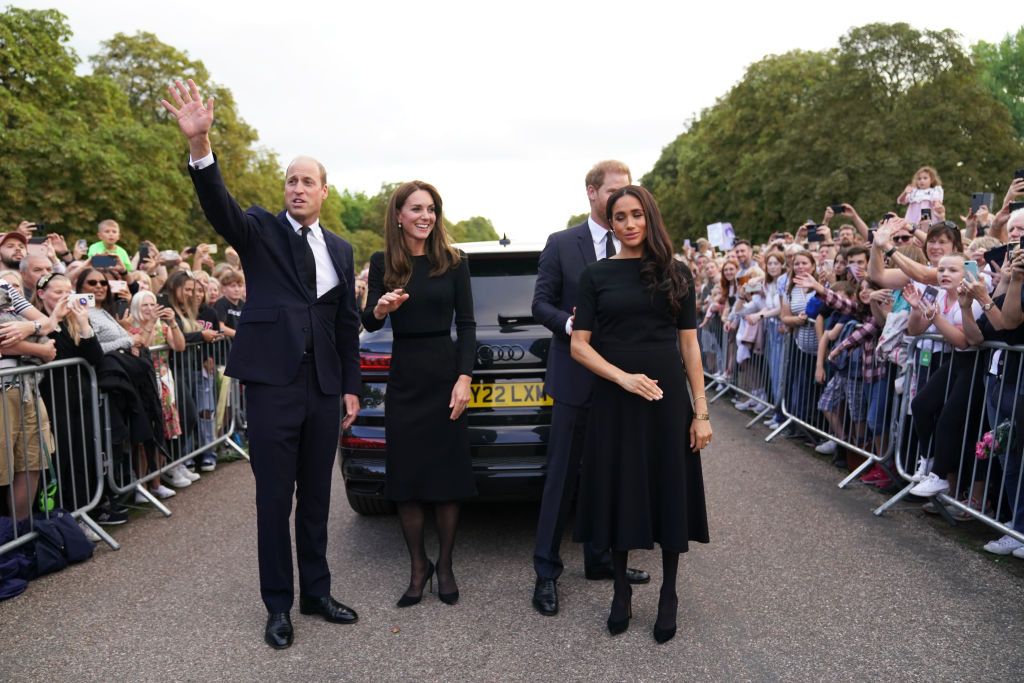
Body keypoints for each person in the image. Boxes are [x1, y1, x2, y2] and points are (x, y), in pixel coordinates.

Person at [162, 79, 362, 650]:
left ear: (325, 190)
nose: (297, 188)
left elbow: (345, 323)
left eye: (307, 181)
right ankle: (278, 606)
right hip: (273, 386)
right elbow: (218, 206)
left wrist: (350, 387)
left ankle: (316, 592)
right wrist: (201, 148)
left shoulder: (341, 250)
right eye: (290, 180)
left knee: (318, 500)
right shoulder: (259, 230)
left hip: (324, 388)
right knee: (274, 501)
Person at [570, 185, 711, 644]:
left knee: (669, 487)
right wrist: (622, 378)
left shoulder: (678, 273)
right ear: (610, 224)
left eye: (636, 215)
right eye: (619, 217)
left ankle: (669, 593)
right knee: (618, 488)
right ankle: (620, 593)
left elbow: (689, 344)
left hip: (668, 400)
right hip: (615, 400)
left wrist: (701, 412)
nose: (629, 224)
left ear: (649, 217)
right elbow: (579, 345)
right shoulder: (596, 276)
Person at [530, 160, 650, 618]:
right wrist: (568, 322)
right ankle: (546, 572)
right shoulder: (562, 244)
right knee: (561, 479)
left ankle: (603, 561)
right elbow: (539, 303)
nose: (622, 199)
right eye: (614, 191)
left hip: (622, 379)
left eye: (628, 191)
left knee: (613, 474)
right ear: (591, 192)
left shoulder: (636, 243)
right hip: (575, 376)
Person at [361, 180, 476, 608]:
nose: (425, 216)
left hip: (445, 376)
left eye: (431, 209)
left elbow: (466, 325)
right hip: (405, 378)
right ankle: (417, 567)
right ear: (399, 216)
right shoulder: (383, 263)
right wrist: (381, 308)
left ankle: (444, 566)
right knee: (407, 481)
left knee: (446, 480)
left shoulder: (453, 261)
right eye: (416, 209)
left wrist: (464, 378)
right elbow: (369, 323)